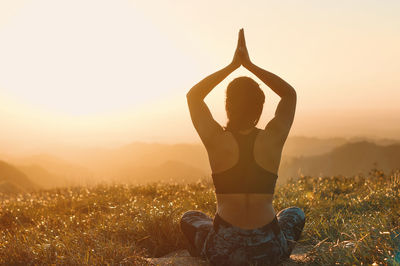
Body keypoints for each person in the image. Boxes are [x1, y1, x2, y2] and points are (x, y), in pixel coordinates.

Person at [181, 28, 305, 266]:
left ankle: (204, 247)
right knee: (294, 213)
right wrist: (249, 64)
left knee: (191, 217)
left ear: (228, 106)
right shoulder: (273, 137)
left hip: (224, 249)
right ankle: (281, 246)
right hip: (268, 247)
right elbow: (289, 94)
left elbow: (194, 96)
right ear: (259, 109)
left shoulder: (216, 139)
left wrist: (232, 65)